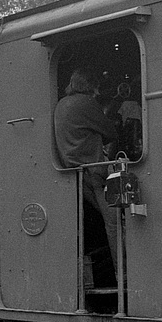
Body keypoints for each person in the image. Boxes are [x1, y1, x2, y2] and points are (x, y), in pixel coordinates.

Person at [54, 69, 119, 256]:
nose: (97, 93)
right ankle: (122, 268)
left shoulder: (61, 104)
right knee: (114, 223)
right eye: (96, 88)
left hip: (76, 172)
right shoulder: (86, 103)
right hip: (95, 171)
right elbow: (111, 133)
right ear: (89, 86)